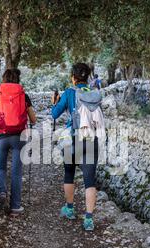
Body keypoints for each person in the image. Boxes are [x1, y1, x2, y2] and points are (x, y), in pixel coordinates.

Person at [51, 63, 100, 231]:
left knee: (69, 173)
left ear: (73, 77)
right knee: (90, 181)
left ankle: (70, 209)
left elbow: (54, 114)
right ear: (87, 78)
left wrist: (55, 102)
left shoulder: (70, 92)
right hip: (91, 139)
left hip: (73, 138)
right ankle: (88, 220)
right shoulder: (94, 94)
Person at [0, 69, 37, 214]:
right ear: (17, 80)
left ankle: (1, 192)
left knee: (1, 168)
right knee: (16, 171)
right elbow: (33, 119)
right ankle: (15, 205)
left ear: (4, 79)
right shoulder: (23, 96)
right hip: (19, 138)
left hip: (1, 137)